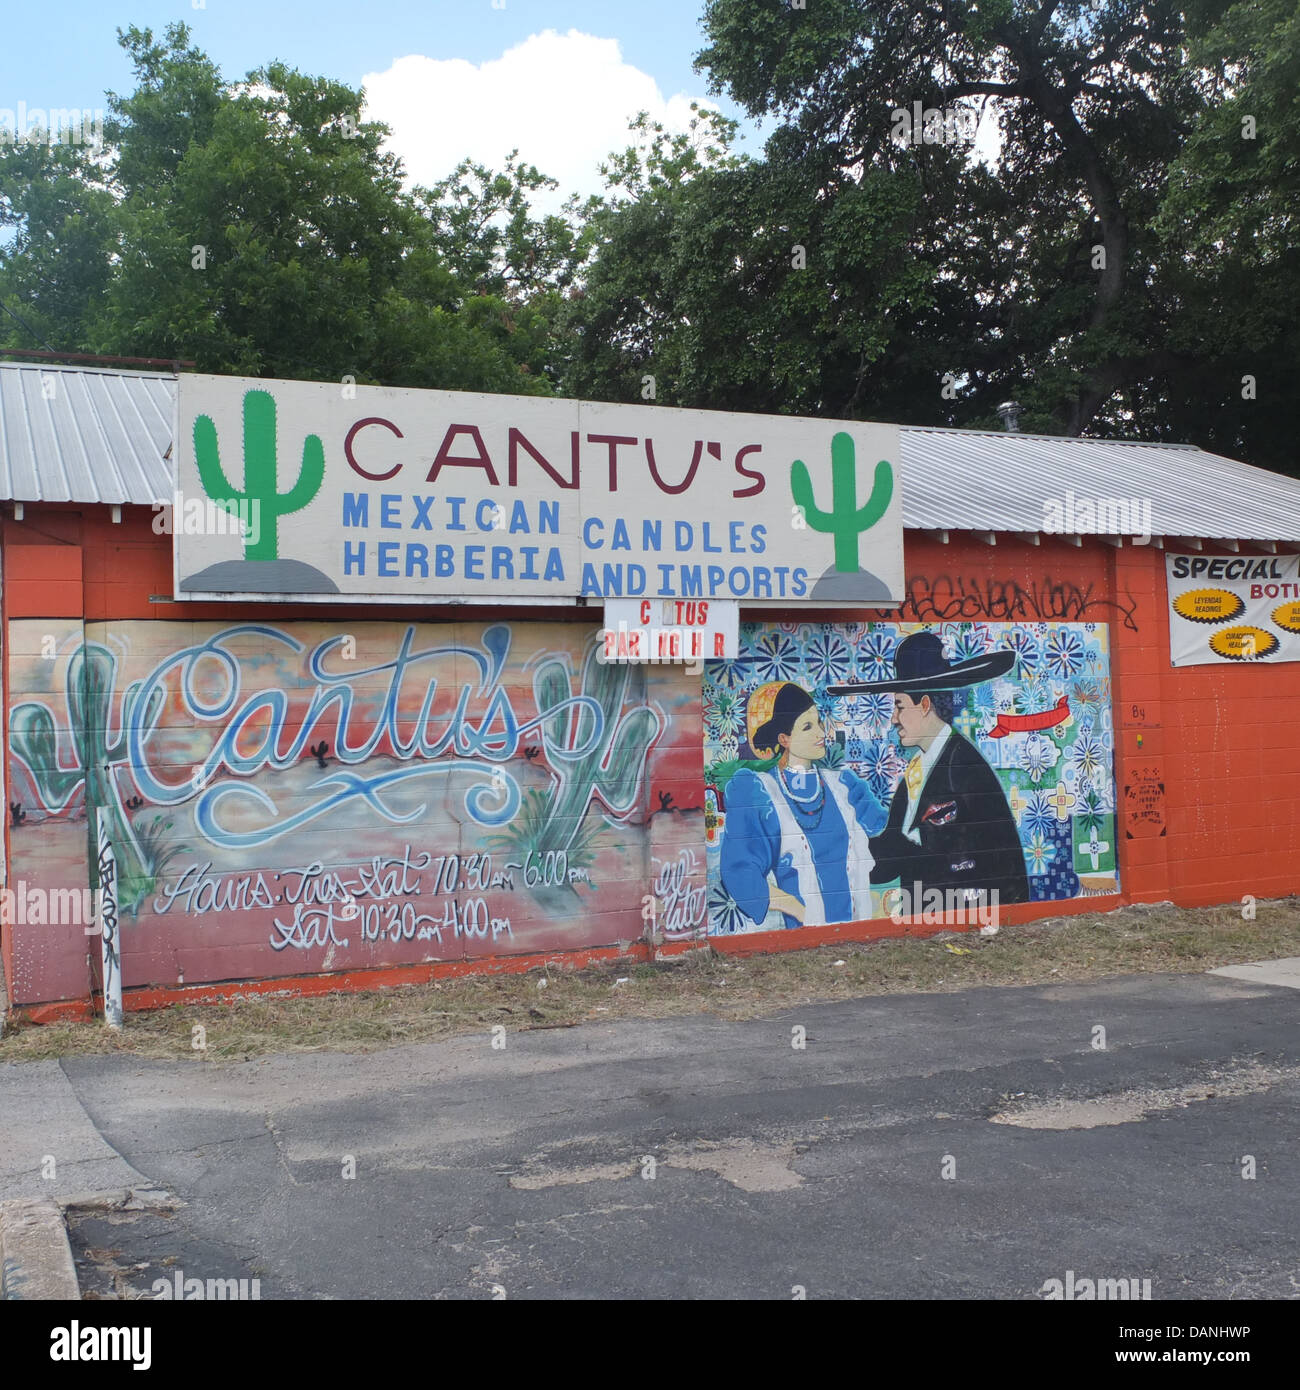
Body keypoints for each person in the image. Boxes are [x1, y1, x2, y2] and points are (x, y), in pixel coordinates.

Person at [827, 633, 1030, 906]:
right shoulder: (915, 774)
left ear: (924, 705)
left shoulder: (964, 766)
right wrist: (842, 848)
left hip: (969, 920)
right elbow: (892, 855)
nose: (894, 719)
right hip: (927, 919)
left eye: (899, 706)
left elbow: (1000, 857)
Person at [718, 682, 886, 928]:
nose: (820, 733)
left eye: (818, 723)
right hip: (805, 940)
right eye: (808, 727)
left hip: (861, 934)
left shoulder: (844, 786)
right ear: (784, 739)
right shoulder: (762, 794)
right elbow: (740, 872)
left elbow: (887, 837)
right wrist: (796, 909)